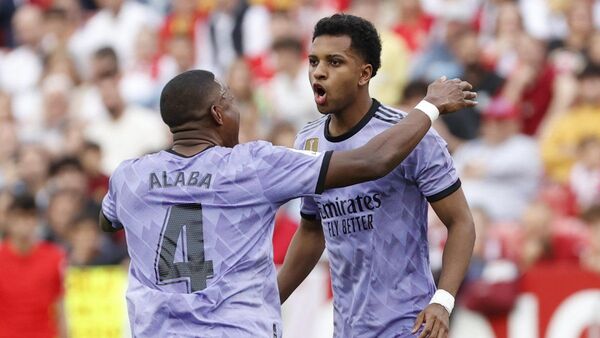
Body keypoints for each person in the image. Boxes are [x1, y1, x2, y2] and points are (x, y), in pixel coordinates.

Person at [99, 69, 475, 337]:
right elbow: (371, 161)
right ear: (217, 113)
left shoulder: (129, 176)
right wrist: (429, 106)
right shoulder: (250, 166)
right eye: (230, 102)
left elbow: (108, 222)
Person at [277, 14, 475, 338]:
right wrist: (270, 301)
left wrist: (444, 299)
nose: (318, 71)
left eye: (334, 61)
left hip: (408, 325)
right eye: (313, 61)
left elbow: (461, 222)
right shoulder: (307, 142)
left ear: (364, 73)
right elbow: (312, 230)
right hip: (347, 329)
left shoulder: (413, 135)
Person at [0, 194, 68, 338]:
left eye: (30, 217)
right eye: (19, 217)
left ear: (37, 221)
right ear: (9, 220)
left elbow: (60, 307)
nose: (24, 223)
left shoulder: (54, 257)